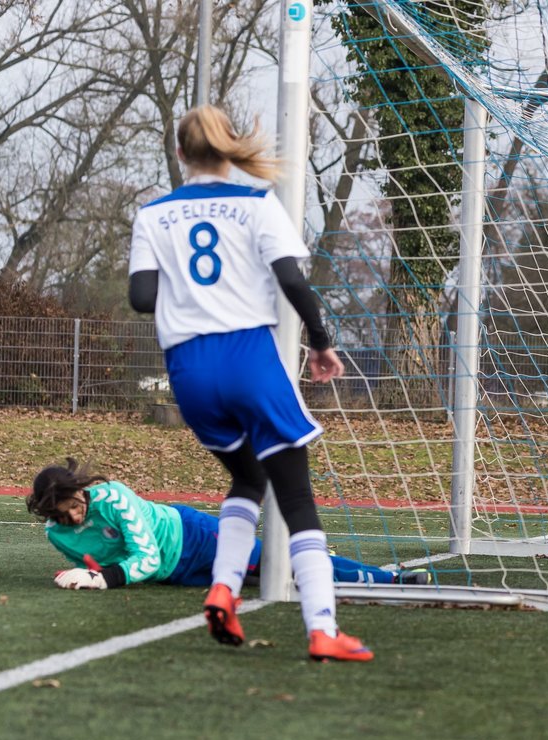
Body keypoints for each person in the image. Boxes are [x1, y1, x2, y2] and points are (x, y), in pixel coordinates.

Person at [127, 104, 371, 662]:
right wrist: (321, 340)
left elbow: (142, 299)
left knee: (248, 479)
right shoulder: (258, 204)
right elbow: (291, 279)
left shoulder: (153, 215)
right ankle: (322, 629)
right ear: (228, 148)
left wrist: (189, 301)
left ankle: (223, 589)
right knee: (297, 498)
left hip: (189, 371)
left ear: (182, 154)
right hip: (247, 356)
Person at [25, 459, 428, 591]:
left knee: (280, 566)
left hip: (194, 538)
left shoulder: (114, 498)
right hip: (174, 575)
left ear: (80, 491)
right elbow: (104, 557)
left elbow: (143, 557)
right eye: (63, 514)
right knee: (260, 583)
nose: (74, 517)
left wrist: (101, 580)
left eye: (75, 505)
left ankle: (388, 581)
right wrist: (85, 572)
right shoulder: (55, 535)